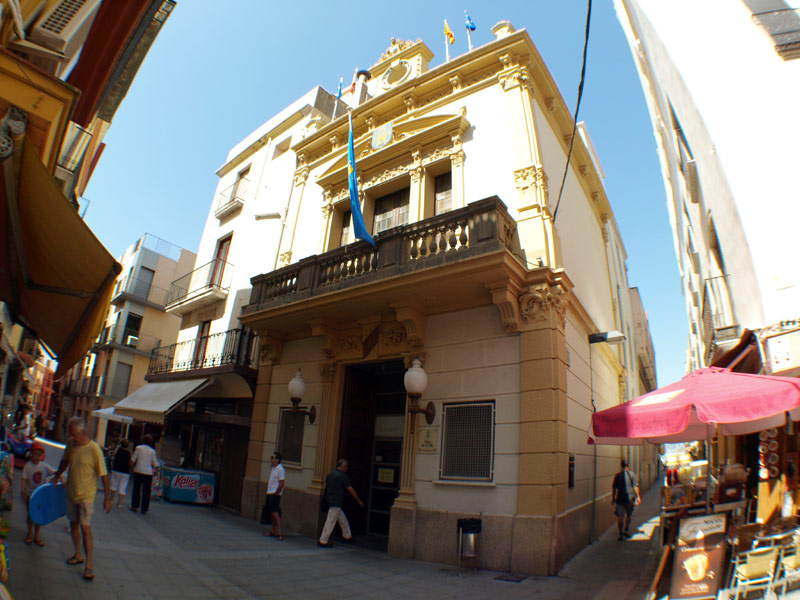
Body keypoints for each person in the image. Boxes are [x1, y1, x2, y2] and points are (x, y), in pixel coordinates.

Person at [52, 417, 111, 581]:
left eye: (73, 434)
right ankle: (78, 554)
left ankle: (89, 565)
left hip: (86, 496)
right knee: (74, 525)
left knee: (86, 529)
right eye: (70, 434)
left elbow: (104, 476)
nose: (71, 437)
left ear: (83, 432)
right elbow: (65, 461)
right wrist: (57, 476)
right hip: (71, 492)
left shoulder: (94, 449)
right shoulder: (71, 444)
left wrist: (107, 498)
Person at [318, 458, 364, 548]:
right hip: (336, 502)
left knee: (342, 519)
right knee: (330, 521)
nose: (347, 469)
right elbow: (350, 489)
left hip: (330, 500)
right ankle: (323, 540)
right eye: (346, 467)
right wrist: (358, 500)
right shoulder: (342, 476)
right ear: (343, 466)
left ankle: (347, 536)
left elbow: (326, 487)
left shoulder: (330, 474)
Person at [21, 441, 55, 546]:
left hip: (41, 496)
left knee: (39, 516)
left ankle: (36, 535)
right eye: (35, 454)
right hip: (30, 494)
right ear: (31, 454)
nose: (37, 457)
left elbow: (54, 472)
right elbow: (23, 480)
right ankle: (29, 533)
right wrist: (23, 493)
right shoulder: (27, 466)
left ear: (42, 456)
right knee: (30, 515)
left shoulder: (44, 467)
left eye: (39, 455)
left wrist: (60, 477)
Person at [612, 459, 641, 541]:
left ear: (621, 465)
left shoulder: (617, 476)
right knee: (629, 515)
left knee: (620, 517)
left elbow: (614, 488)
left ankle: (621, 534)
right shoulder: (632, 475)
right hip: (630, 498)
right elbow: (636, 486)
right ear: (628, 465)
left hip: (620, 499)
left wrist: (613, 498)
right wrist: (638, 497)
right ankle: (626, 530)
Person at [129, 435, 158, 514]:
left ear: (143, 441)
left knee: (136, 488)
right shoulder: (152, 451)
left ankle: (135, 505)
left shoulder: (138, 448)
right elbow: (155, 464)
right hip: (148, 472)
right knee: (146, 491)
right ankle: (144, 508)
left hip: (138, 470)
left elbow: (132, 460)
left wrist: (130, 466)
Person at [263, 452, 285, 540]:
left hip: (274, 494)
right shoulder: (273, 468)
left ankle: (280, 532)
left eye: (273, 458)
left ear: (277, 459)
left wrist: (277, 493)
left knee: (275, 513)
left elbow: (282, 482)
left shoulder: (280, 469)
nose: (271, 459)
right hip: (270, 492)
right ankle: (273, 531)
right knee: (271, 512)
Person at [109, 439, 132, 509]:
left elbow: (113, 457)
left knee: (113, 485)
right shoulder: (129, 453)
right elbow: (130, 462)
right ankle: (119, 503)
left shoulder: (118, 451)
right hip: (125, 471)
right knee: (123, 487)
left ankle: (111, 500)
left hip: (116, 469)